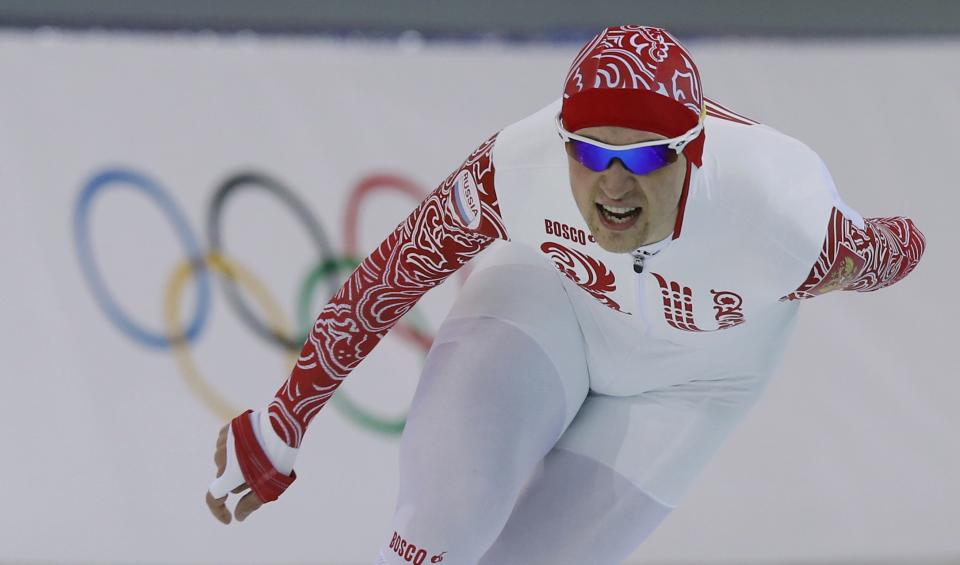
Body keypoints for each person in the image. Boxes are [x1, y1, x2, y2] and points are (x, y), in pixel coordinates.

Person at [205, 25, 926, 564]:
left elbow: (905, 245)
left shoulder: (785, 219)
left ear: (694, 151)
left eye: (641, 156)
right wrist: (283, 419)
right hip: (551, 305)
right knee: (440, 526)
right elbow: (390, 278)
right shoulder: (514, 167)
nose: (613, 184)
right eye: (589, 150)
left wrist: (861, 255)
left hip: (693, 384)